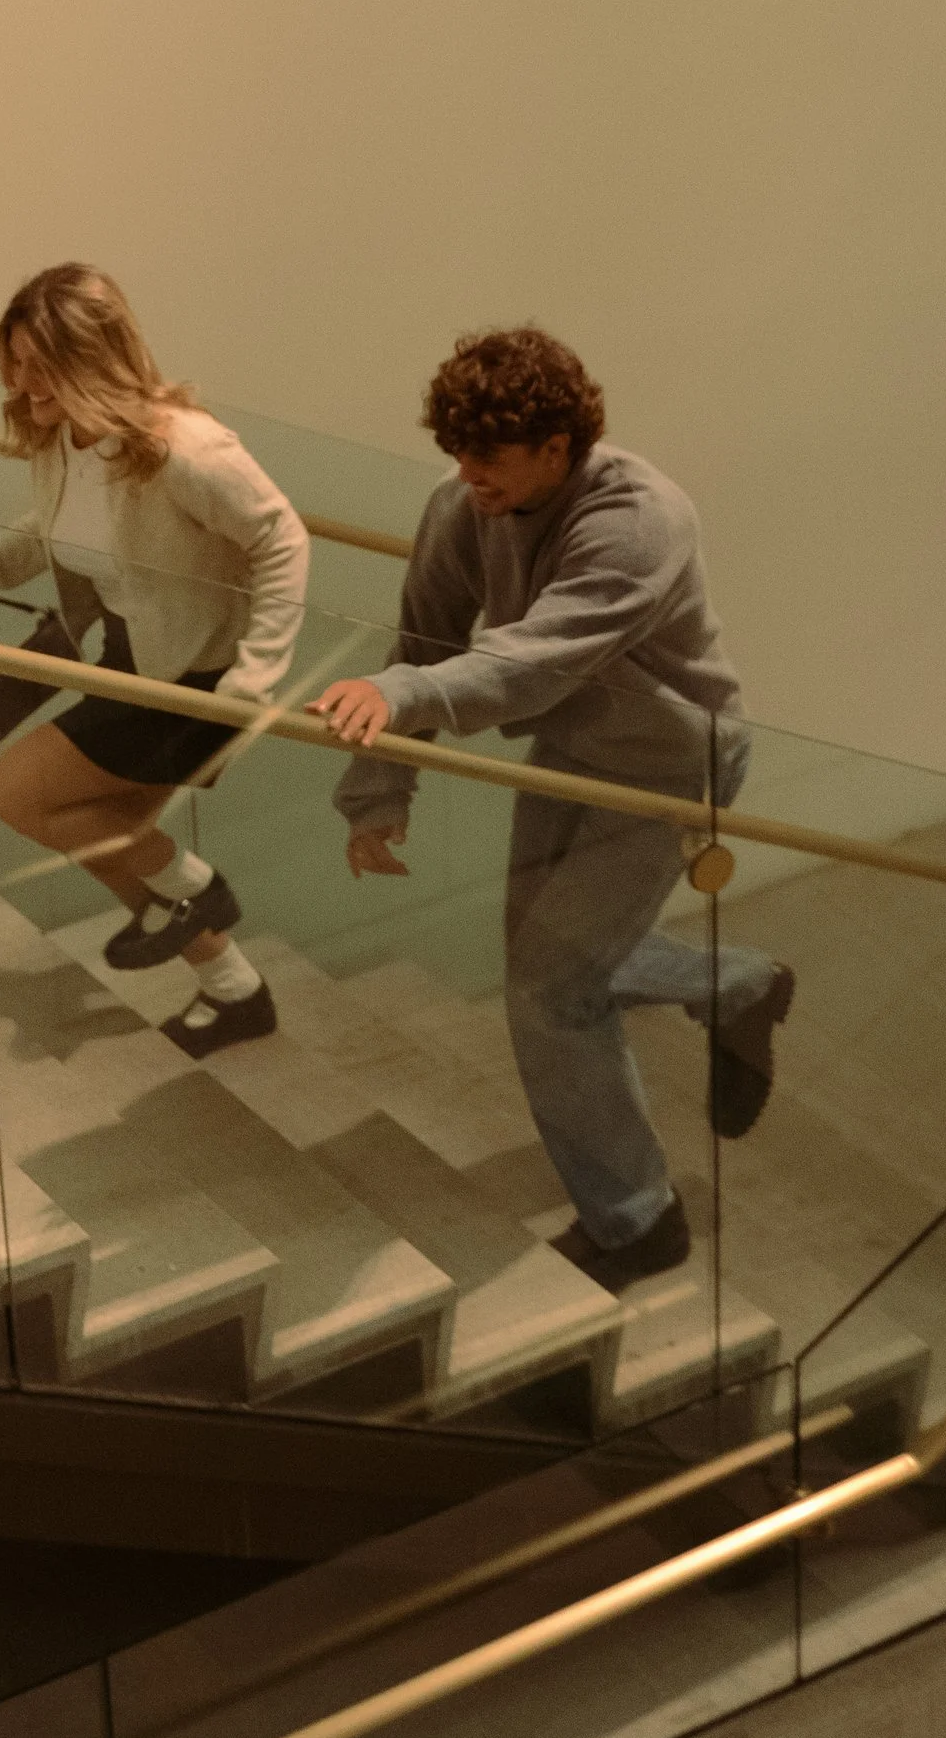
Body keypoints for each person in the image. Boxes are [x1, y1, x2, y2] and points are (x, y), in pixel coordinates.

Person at [312, 327, 791, 1292]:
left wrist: (404, 701)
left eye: (488, 455)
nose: (467, 474)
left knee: (549, 990)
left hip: (668, 768)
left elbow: (533, 662)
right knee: (551, 968)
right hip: (571, 748)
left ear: (556, 449)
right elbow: (425, 634)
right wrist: (379, 793)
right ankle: (733, 983)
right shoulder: (464, 503)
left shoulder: (640, 521)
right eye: (456, 450)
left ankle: (639, 1220)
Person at [0, 264, 309, 1056]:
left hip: (199, 680)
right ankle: (233, 988)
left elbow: (282, 541)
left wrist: (255, 682)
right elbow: (49, 529)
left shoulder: (186, 451)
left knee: (21, 791)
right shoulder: (66, 435)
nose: (22, 384)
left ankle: (195, 889)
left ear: (93, 358)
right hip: (133, 657)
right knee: (106, 833)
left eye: (39, 365)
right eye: (15, 363)